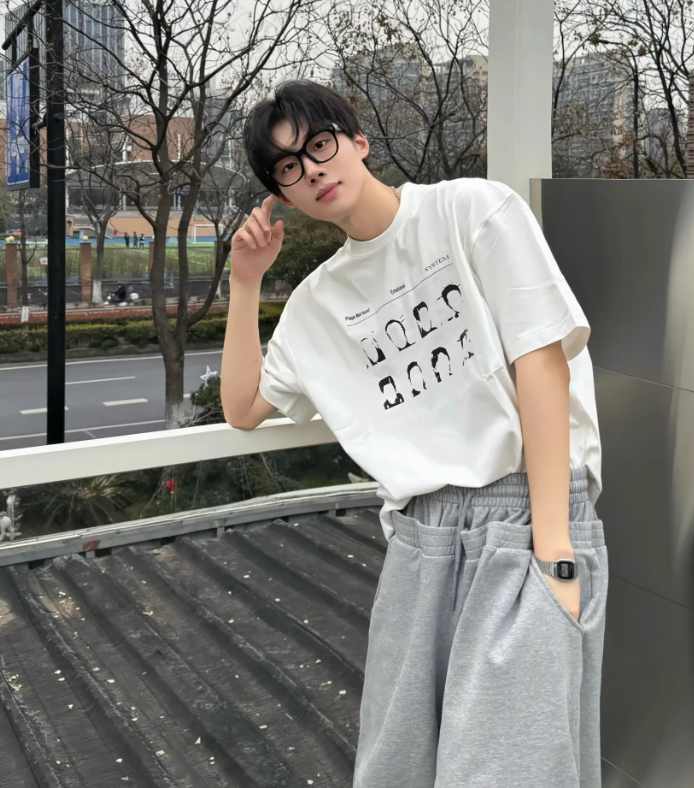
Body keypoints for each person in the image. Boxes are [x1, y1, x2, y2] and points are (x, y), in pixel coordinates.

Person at [221, 80, 607, 788]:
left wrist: (554, 548)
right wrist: (246, 283)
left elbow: (542, 364)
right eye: (288, 168)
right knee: (398, 769)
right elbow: (243, 407)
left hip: (524, 516)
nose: (312, 170)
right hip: (418, 539)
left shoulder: (472, 210)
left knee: (512, 771)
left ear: (358, 141)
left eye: (320, 145)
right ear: (285, 195)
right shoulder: (317, 303)